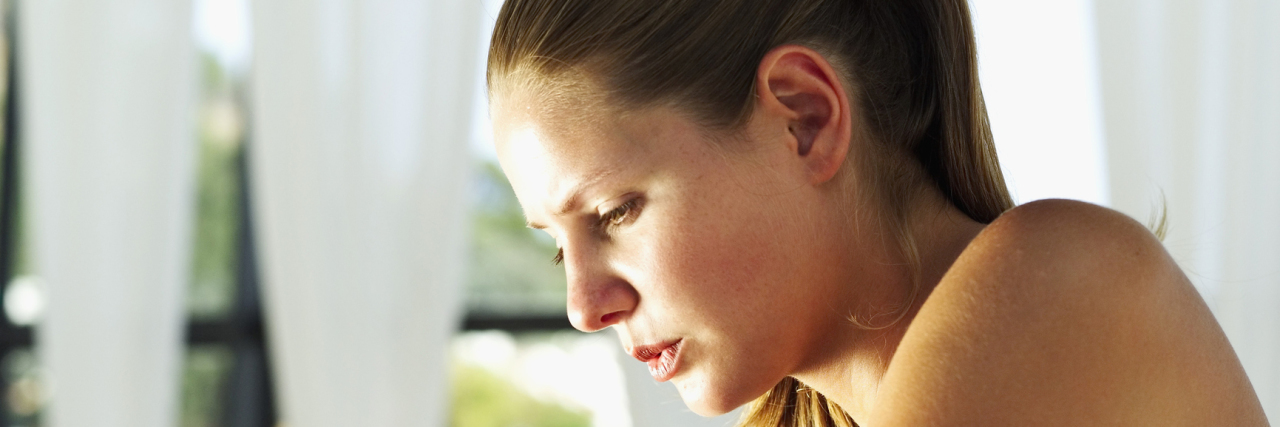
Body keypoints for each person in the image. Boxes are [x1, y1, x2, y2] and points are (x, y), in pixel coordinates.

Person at [484, 0, 1270, 425]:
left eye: (615, 211)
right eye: (557, 247)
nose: (584, 306)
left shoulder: (1060, 279)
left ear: (806, 118)